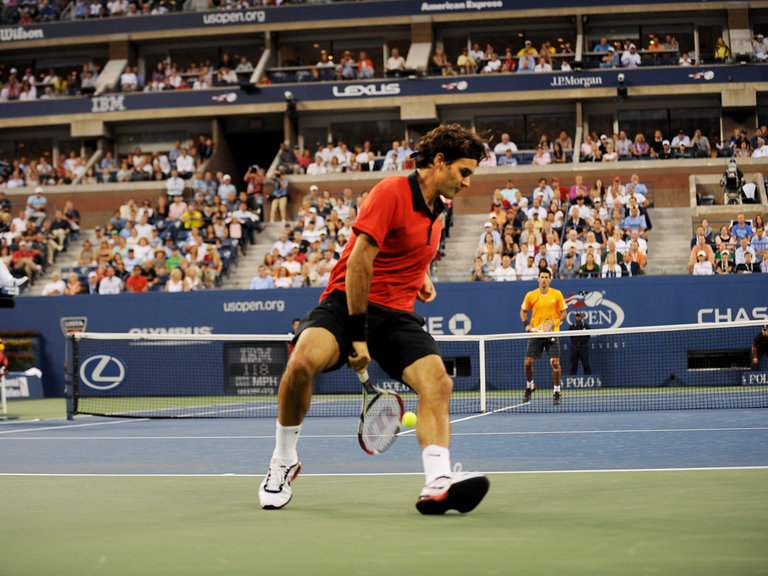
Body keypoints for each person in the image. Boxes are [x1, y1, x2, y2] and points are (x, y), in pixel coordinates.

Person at [258, 124, 490, 515]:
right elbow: (360, 262)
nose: (468, 182)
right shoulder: (391, 192)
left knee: (438, 382)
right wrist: (359, 336)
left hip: (398, 316)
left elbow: (405, 248)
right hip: (346, 303)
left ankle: (437, 482)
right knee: (300, 364)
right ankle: (283, 461)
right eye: (464, 172)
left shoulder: (439, 210)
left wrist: (421, 277)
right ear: (439, 162)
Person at [520, 268, 567, 405]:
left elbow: (563, 313)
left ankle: (557, 391)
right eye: (542, 277)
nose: (544, 279)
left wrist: (555, 323)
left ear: (550, 279)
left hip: (552, 334)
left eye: (547, 277)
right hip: (536, 334)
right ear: (538, 279)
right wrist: (526, 325)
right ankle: (530, 386)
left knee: (555, 363)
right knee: (528, 363)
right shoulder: (531, 295)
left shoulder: (557, 294)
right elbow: (523, 311)